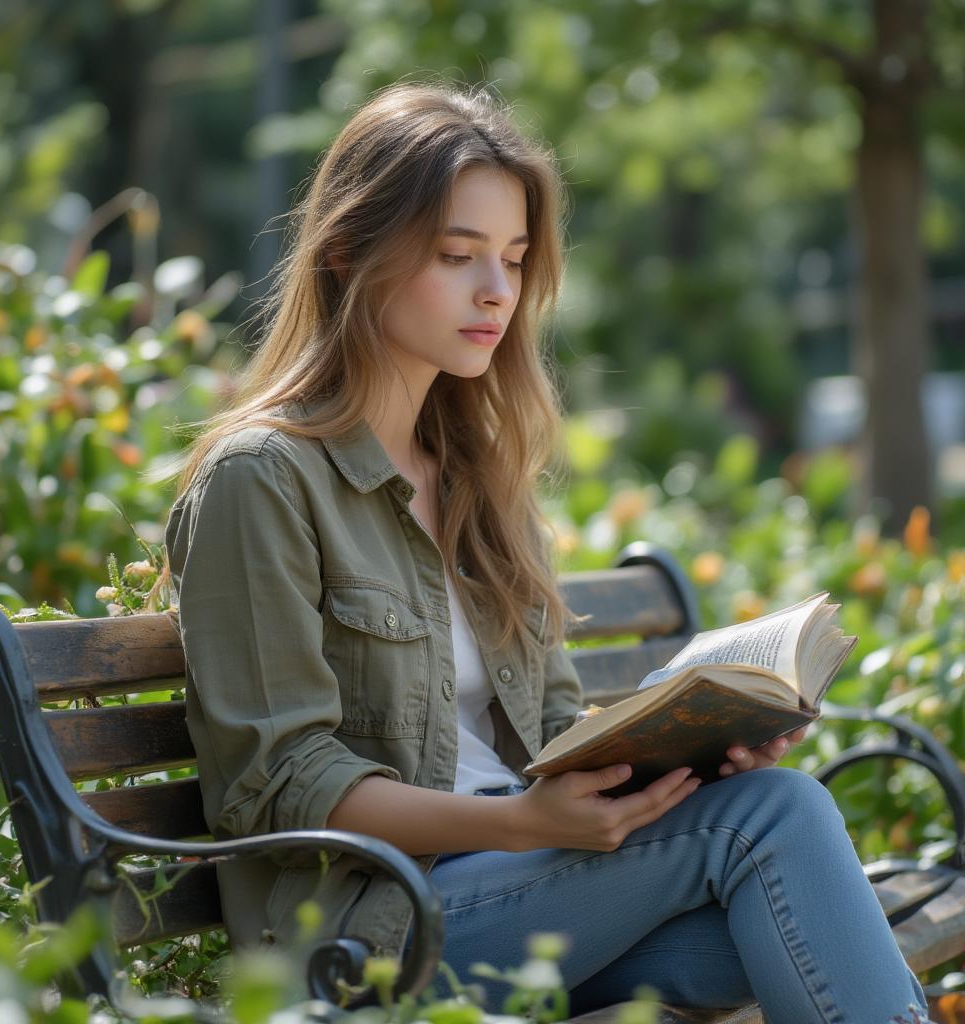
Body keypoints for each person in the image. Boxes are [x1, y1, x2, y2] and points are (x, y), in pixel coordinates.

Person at [164, 80, 932, 1023]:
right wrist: (518, 823)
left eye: (516, 259)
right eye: (458, 255)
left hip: (528, 886)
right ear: (347, 254)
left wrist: (689, 754)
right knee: (779, 825)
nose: (498, 291)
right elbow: (278, 784)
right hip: (375, 933)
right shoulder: (265, 479)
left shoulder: (476, 477)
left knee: (782, 875)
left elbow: (555, 724)